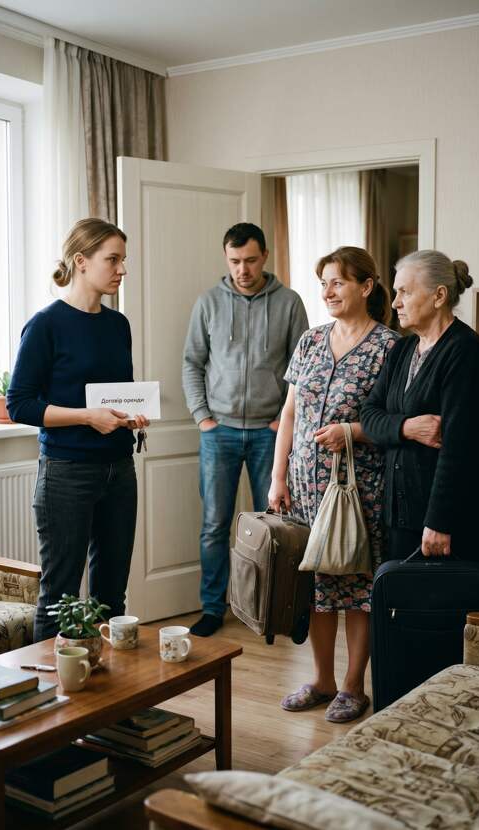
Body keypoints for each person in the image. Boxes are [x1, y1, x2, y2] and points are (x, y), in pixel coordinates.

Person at [269, 246, 398, 722]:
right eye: (323, 282)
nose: (327, 292)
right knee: (316, 589)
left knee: (356, 584)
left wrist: (353, 432)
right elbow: (289, 414)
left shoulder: (390, 347)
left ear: (366, 287)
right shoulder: (309, 341)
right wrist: (277, 476)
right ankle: (322, 681)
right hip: (304, 486)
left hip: (358, 487)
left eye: (338, 282)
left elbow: (394, 422)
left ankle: (352, 686)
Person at [7, 218, 148, 641]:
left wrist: (130, 415)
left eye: (123, 260)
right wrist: (88, 416)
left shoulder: (117, 324)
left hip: (119, 470)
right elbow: (19, 404)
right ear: (81, 262)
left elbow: (114, 396)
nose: (122, 269)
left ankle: (106, 704)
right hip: (67, 473)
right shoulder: (46, 324)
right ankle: (54, 704)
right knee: (59, 598)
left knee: (112, 599)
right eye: (113, 259)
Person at [182, 223, 308, 637]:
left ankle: (271, 608)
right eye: (234, 261)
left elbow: (301, 369)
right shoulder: (208, 303)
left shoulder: (289, 303)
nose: (243, 270)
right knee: (215, 525)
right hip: (217, 432)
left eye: (250, 260)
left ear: (265, 257)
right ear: (226, 259)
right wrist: (202, 416)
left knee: (274, 528)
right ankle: (213, 608)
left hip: (268, 434)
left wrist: (280, 421)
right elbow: (192, 363)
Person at [361, 250, 479, 566]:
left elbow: (460, 449)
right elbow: (368, 416)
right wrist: (406, 428)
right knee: (406, 611)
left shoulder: (466, 352)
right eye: (396, 292)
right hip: (404, 514)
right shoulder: (403, 348)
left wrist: (440, 522)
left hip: (450, 520)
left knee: (450, 613)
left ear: (439, 296)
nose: (395, 302)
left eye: (405, 292)